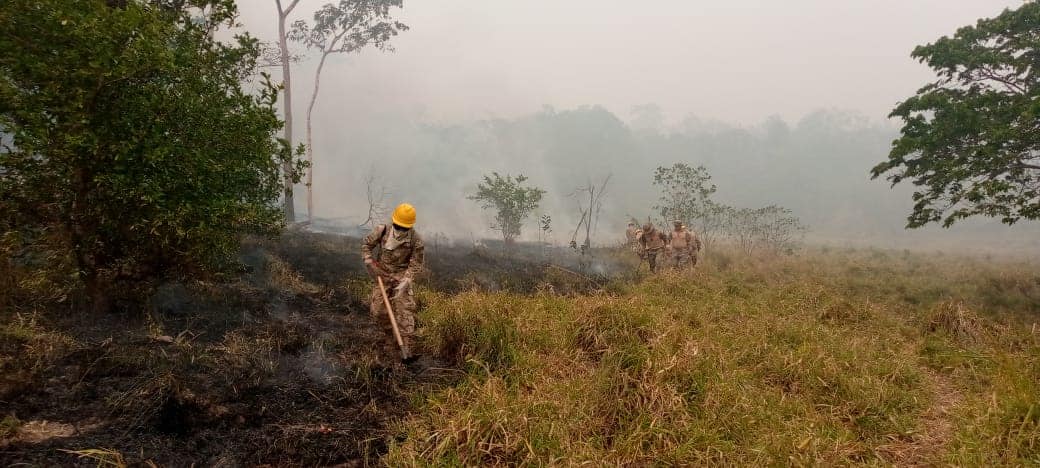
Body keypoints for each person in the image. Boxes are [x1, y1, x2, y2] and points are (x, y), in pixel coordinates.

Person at [361, 203, 424, 362]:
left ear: (410, 226)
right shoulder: (382, 230)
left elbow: (416, 263)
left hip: (401, 277)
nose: (400, 230)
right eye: (398, 226)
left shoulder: (416, 240)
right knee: (378, 311)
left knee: (404, 311)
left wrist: (407, 279)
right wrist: (369, 261)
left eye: (404, 228)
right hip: (382, 275)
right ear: (394, 221)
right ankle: (390, 337)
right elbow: (366, 245)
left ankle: (406, 346)